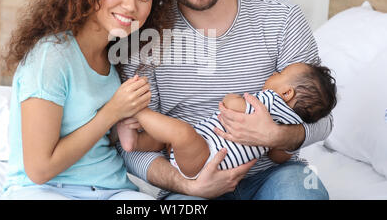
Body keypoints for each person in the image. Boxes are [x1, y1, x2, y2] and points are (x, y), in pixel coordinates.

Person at [117, 0, 333, 200]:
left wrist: (276, 136)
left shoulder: (282, 17)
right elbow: (129, 146)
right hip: (192, 182)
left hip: (275, 175)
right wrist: (187, 186)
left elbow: (323, 119)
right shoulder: (144, 37)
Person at [1, 0, 173, 200]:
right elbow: (39, 169)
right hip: (45, 190)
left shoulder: (115, 57)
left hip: (113, 189)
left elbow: (113, 139)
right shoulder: (52, 56)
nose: (130, 6)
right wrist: (112, 112)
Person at [117, 63, 337, 180]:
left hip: (207, 159)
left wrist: (233, 99)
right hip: (205, 161)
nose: (273, 74)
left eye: (279, 73)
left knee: (180, 134)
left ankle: (136, 112)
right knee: (167, 140)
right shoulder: (292, 120)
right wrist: (282, 140)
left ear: (287, 93)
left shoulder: (270, 101)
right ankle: (132, 142)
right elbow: (278, 156)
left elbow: (234, 106)